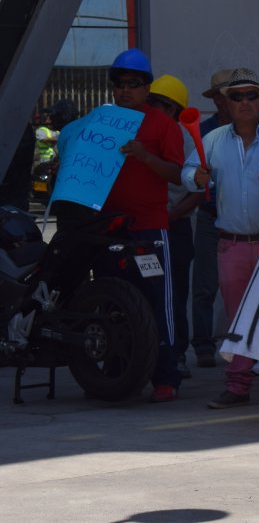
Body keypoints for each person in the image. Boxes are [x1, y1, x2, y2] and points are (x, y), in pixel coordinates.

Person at [183, 68, 259, 411]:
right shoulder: (212, 141)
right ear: (226, 102)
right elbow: (187, 174)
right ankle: (238, 385)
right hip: (232, 242)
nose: (246, 102)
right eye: (237, 97)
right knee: (237, 318)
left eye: (252, 95)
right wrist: (196, 175)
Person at [90, 48, 185, 402]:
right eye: (119, 84)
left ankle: (167, 376)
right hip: (106, 228)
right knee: (110, 298)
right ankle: (115, 372)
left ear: (147, 88)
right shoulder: (100, 121)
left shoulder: (164, 126)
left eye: (133, 84)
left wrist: (145, 156)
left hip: (148, 228)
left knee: (158, 302)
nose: (125, 90)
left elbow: (178, 175)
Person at [147, 74, 201, 379]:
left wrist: (171, 217)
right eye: (151, 102)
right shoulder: (145, 133)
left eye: (161, 105)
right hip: (147, 227)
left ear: (175, 111)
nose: (154, 108)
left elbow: (198, 192)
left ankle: (177, 353)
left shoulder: (186, 139)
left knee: (175, 294)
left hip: (174, 228)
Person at [190, 69, 235, 368]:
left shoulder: (255, 129)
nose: (229, 100)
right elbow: (190, 173)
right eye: (224, 94)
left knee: (242, 286)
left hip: (242, 218)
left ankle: (244, 345)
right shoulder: (204, 130)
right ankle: (204, 345)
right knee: (205, 285)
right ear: (217, 98)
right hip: (210, 215)